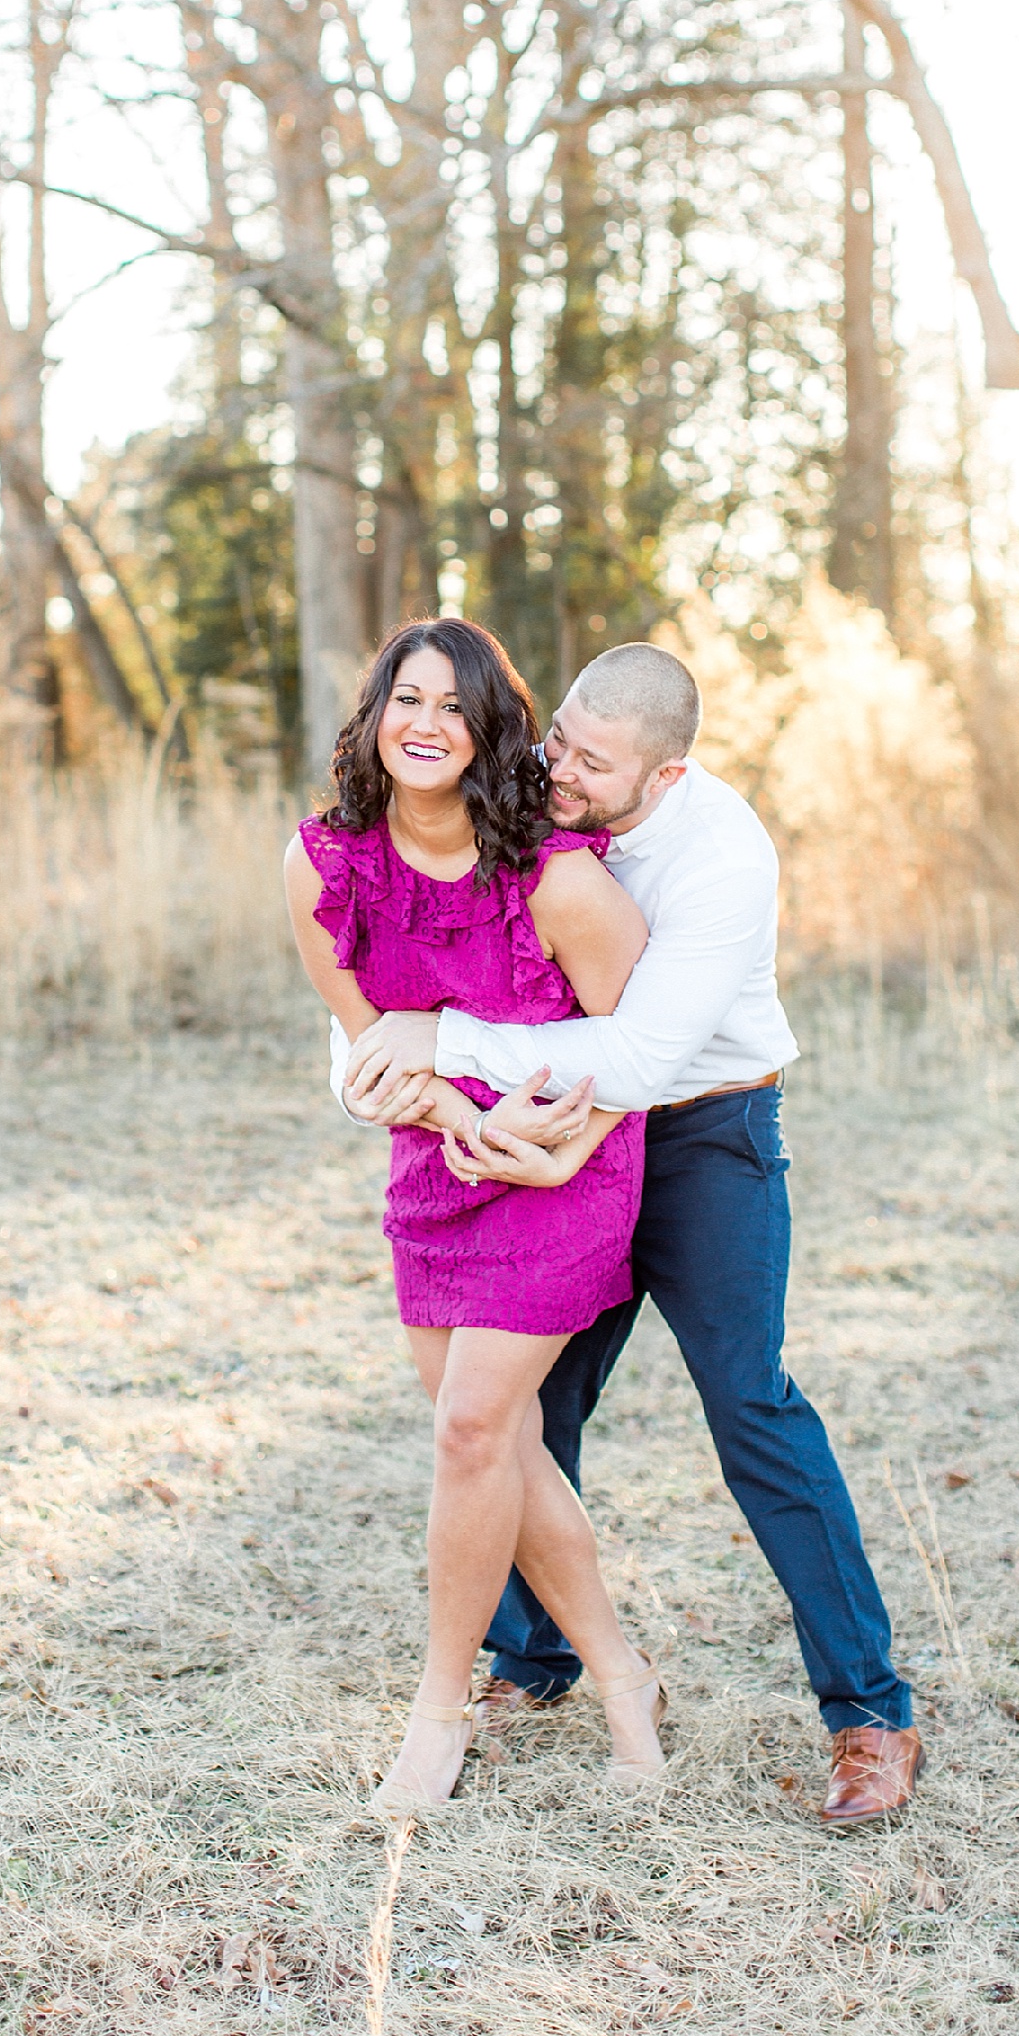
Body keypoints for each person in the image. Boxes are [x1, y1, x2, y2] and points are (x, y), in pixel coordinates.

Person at [338, 641, 923, 1829]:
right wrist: (433, 1062)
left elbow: (647, 1055)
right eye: (559, 735)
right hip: (557, 1137)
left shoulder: (720, 854)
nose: (557, 766)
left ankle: (869, 1709)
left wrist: (439, 1039)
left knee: (751, 1405)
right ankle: (533, 1659)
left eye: (592, 762)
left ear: (664, 778)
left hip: (706, 1136)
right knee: (518, 1410)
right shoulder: (525, 795)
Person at [281, 617, 670, 1811]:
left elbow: (644, 1048)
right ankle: (622, 1679)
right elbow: (366, 1048)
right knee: (501, 1444)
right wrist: (450, 1111)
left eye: (456, 705)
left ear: (492, 728)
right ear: (376, 715)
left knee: (467, 1433)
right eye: (408, 697)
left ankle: (437, 1715)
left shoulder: (556, 875)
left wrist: (544, 1139)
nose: (427, 724)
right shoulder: (325, 867)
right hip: (433, 1176)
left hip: (565, 1175)